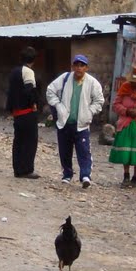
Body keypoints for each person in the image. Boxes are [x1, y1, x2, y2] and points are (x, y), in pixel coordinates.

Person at [46, 53, 106, 188]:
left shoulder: (92, 83)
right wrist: (58, 105)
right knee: (64, 150)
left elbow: (99, 101)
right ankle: (67, 174)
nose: (79, 68)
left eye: (82, 66)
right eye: (77, 65)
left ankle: (85, 175)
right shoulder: (65, 78)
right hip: (65, 122)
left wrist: (89, 112)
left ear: (86, 68)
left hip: (82, 124)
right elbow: (50, 90)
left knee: (84, 150)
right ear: (73, 66)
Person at [6, 45, 42, 179]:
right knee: (30, 141)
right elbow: (29, 90)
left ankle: (18, 169)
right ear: (33, 59)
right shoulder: (28, 72)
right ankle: (27, 169)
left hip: (17, 112)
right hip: (27, 112)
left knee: (18, 141)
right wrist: (34, 103)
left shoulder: (14, 71)